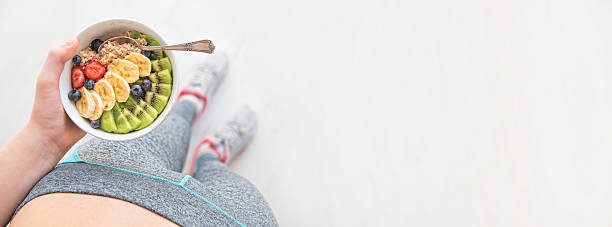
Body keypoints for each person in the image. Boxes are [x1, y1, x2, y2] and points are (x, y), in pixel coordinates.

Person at [0, 38, 278, 226]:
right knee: (225, 178)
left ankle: (186, 104)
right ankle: (210, 155)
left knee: (166, 122)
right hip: (225, 218)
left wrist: (45, 140)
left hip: (99, 176)